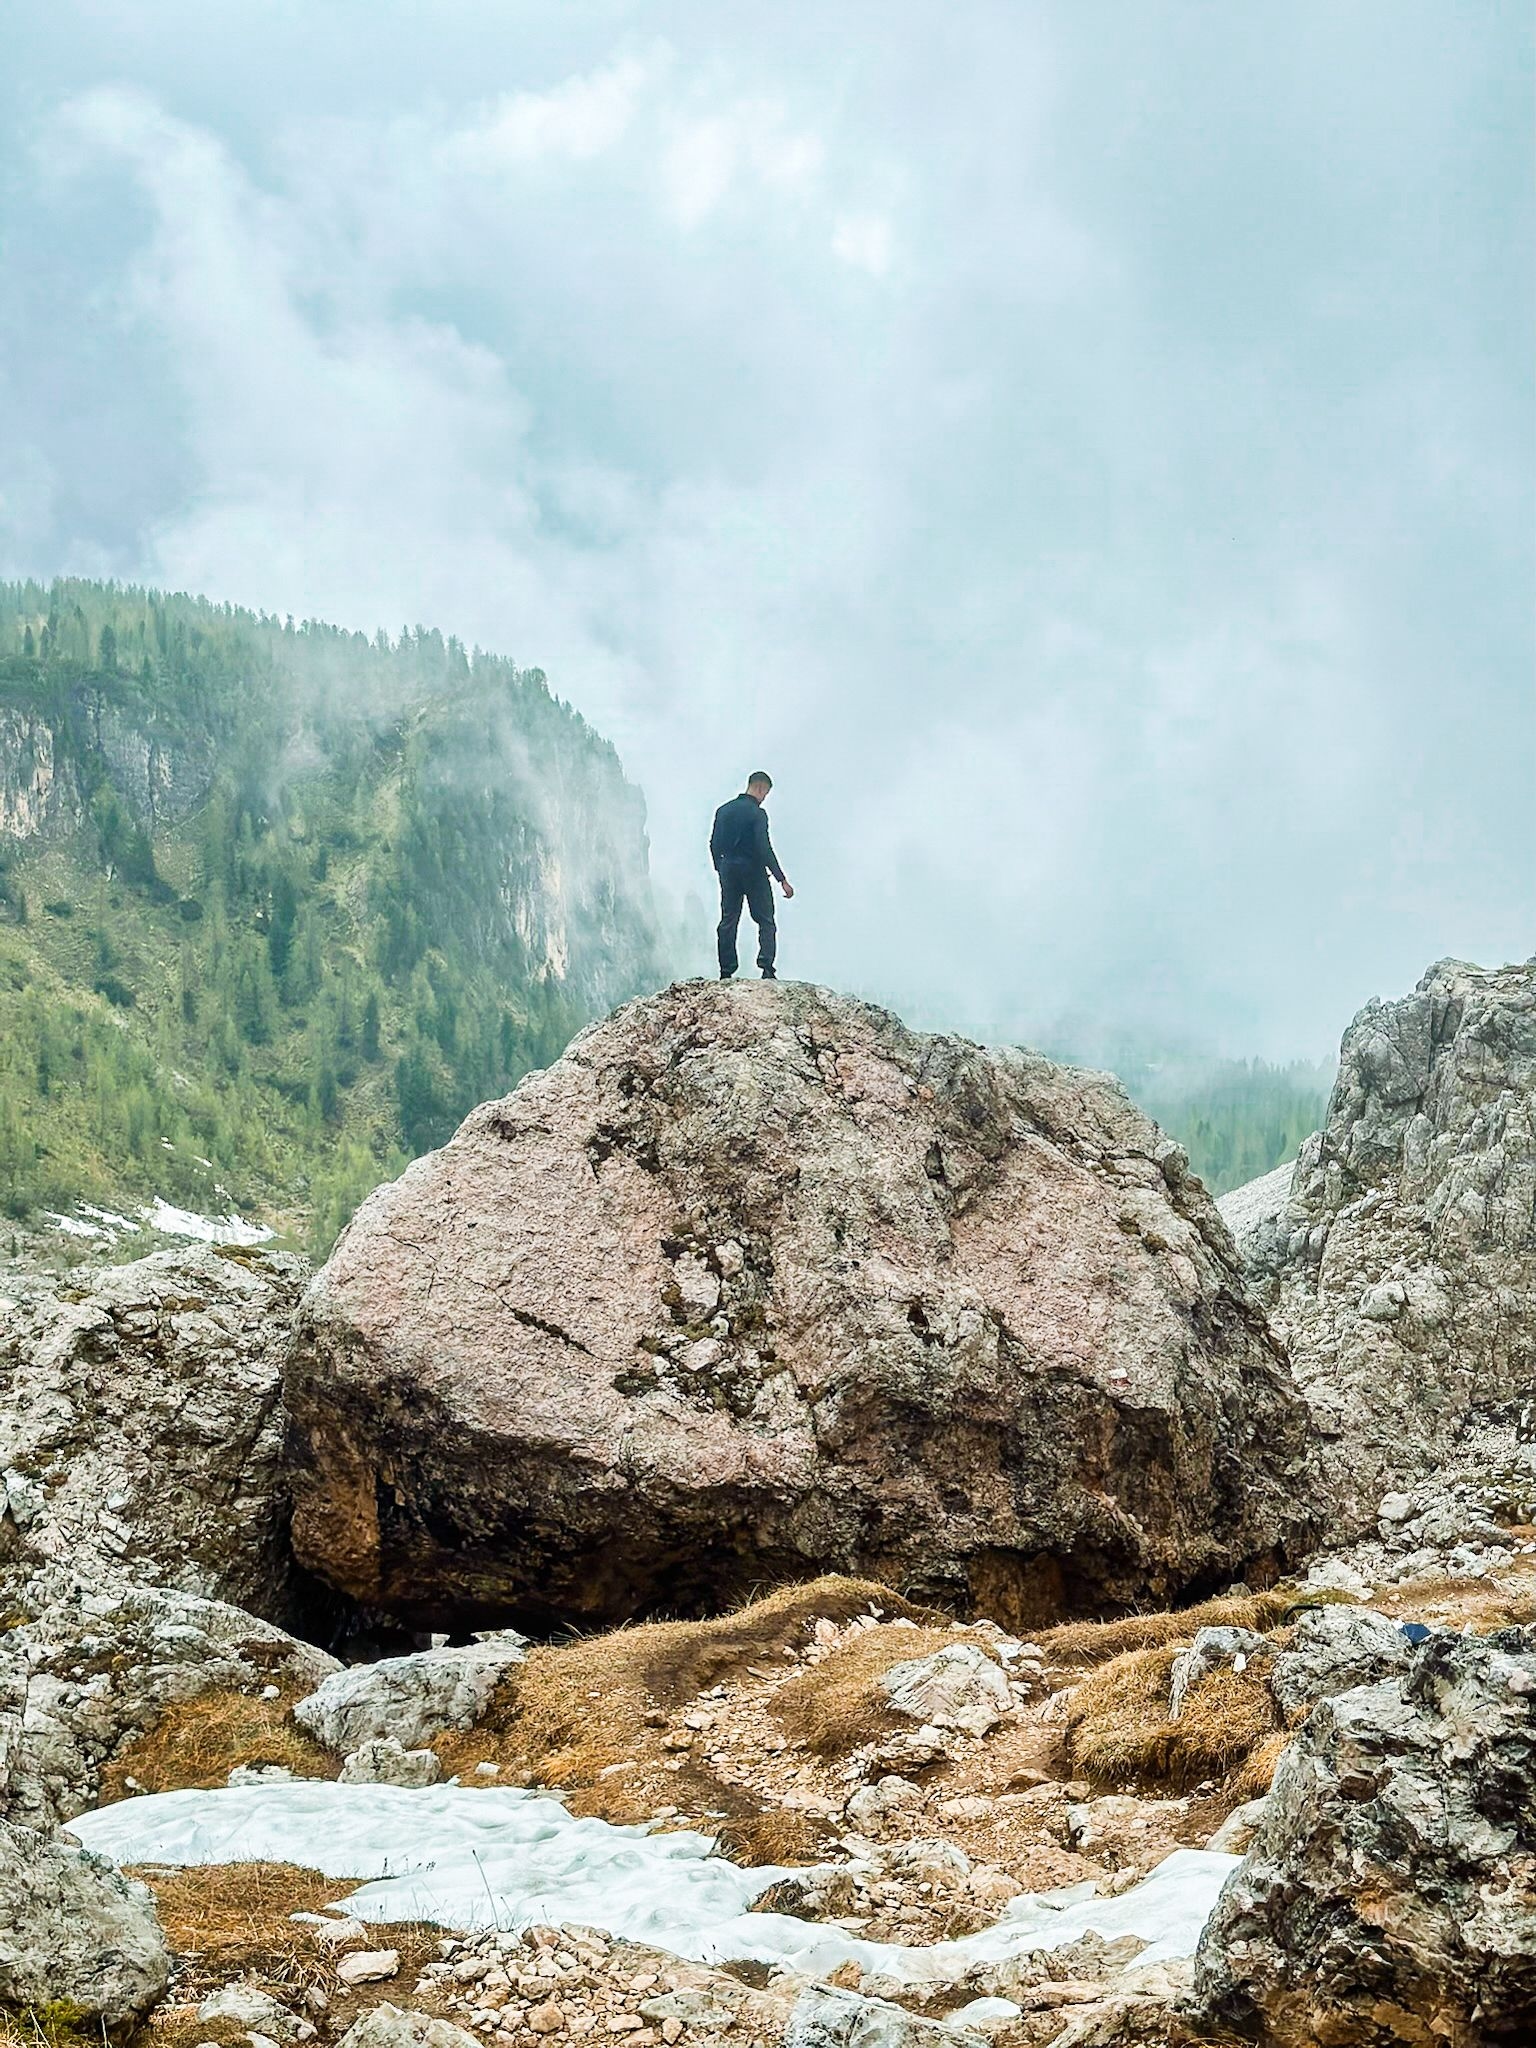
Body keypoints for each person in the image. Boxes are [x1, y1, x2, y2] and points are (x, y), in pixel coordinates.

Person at [710, 771, 794, 980]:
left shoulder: (723, 811)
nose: (764, 797)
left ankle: (726, 970)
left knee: (728, 919)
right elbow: (764, 847)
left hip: (728, 868)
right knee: (765, 919)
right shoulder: (758, 814)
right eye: (765, 792)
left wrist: (720, 867)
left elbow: (713, 843)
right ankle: (766, 967)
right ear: (759, 788)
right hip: (753, 870)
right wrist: (781, 879)